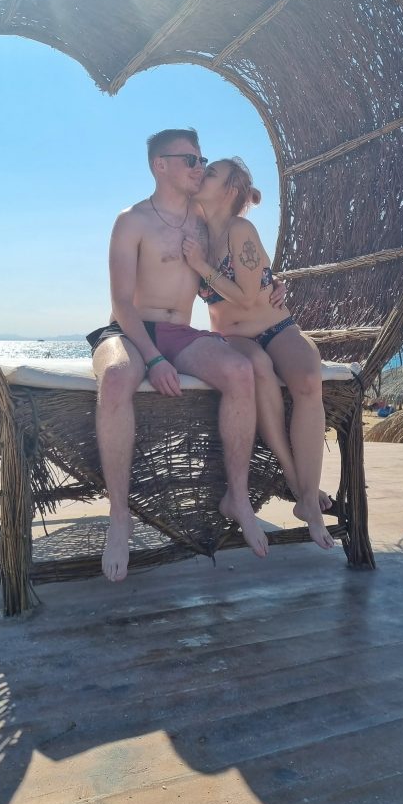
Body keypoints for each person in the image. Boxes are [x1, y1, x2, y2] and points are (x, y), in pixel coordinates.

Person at [89, 129, 287, 583]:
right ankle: (119, 516)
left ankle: (237, 497)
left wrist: (275, 285)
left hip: (182, 330)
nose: (200, 167)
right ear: (162, 165)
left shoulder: (203, 222)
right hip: (131, 327)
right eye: (192, 160)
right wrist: (154, 359)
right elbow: (121, 301)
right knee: (118, 376)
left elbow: (246, 263)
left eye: (203, 160)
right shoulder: (132, 220)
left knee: (239, 371)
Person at [182, 156, 334, 551]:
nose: (201, 175)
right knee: (260, 369)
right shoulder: (192, 231)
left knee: (307, 378)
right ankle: (302, 490)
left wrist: (202, 266)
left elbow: (250, 297)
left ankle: (308, 498)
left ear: (230, 190)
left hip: (277, 324)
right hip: (233, 337)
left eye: (210, 173)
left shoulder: (239, 228)